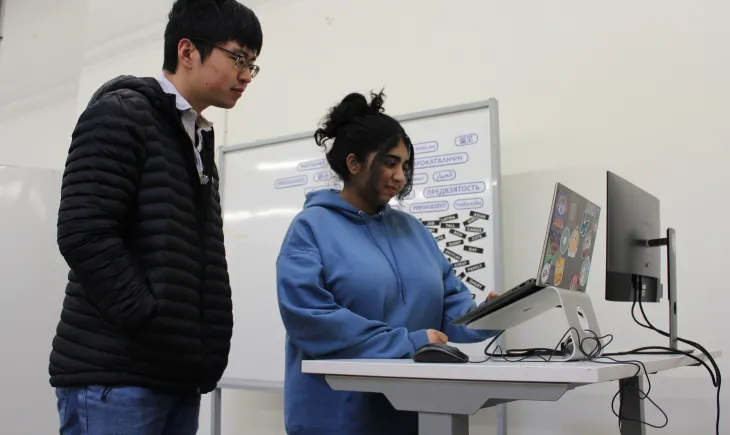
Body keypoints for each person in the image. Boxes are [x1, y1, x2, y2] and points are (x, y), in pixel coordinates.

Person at [48, 1, 263, 433]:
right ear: (187, 52)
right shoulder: (122, 113)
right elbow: (83, 231)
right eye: (239, 58)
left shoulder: (195, 136)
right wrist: (149, 320)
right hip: (117, 374)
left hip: (172, 374)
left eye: (253, 65)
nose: (246, 75)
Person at [275, 90, 501, 435]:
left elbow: (451, 314)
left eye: (405, 166)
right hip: (337, 418)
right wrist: (407, 342)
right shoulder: (310, 228)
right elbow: (311, 320)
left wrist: (492, 316)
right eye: (390, 162)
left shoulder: (413, 231)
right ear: (354, 163)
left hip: (411, 414)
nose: (400, 176)